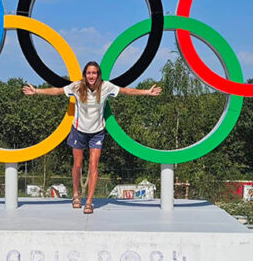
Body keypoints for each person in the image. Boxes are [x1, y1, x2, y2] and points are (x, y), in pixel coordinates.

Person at [22, 61, 162, 214]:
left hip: (97, 132)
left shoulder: (106, 86)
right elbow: (57, 91)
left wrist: (147, 92)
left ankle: (89, 201)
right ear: (85, 74)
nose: (91, 76)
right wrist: (36, 91)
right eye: (89, 73)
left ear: (98, 74)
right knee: (77, 165)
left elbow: (126, 91)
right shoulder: (77, 86)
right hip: (78, 130)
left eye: (94, 73)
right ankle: (76, 195)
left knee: (94, 165)